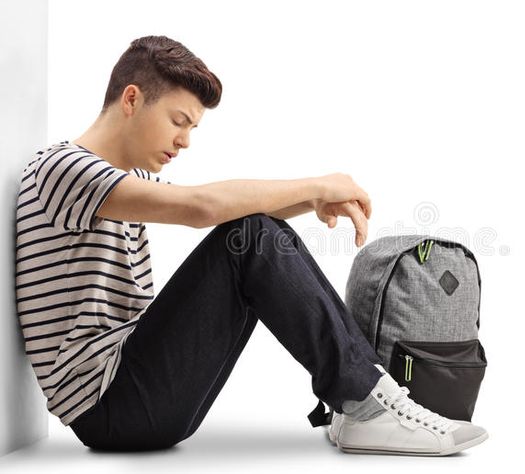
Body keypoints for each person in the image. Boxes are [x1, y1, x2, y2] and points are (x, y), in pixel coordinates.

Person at [14, 35, 488, 456]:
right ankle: (365, 400)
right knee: (250, 237)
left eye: (193, 129)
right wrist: (318, 185)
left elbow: (222, 213)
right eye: (179, 120)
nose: (184, 141)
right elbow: (202, 208)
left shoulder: (120, 181)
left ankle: (362, 398)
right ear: (132, 99)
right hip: (111, 406)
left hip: (131, 395)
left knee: (253, 231)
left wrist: (308, 202)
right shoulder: (64, 169)